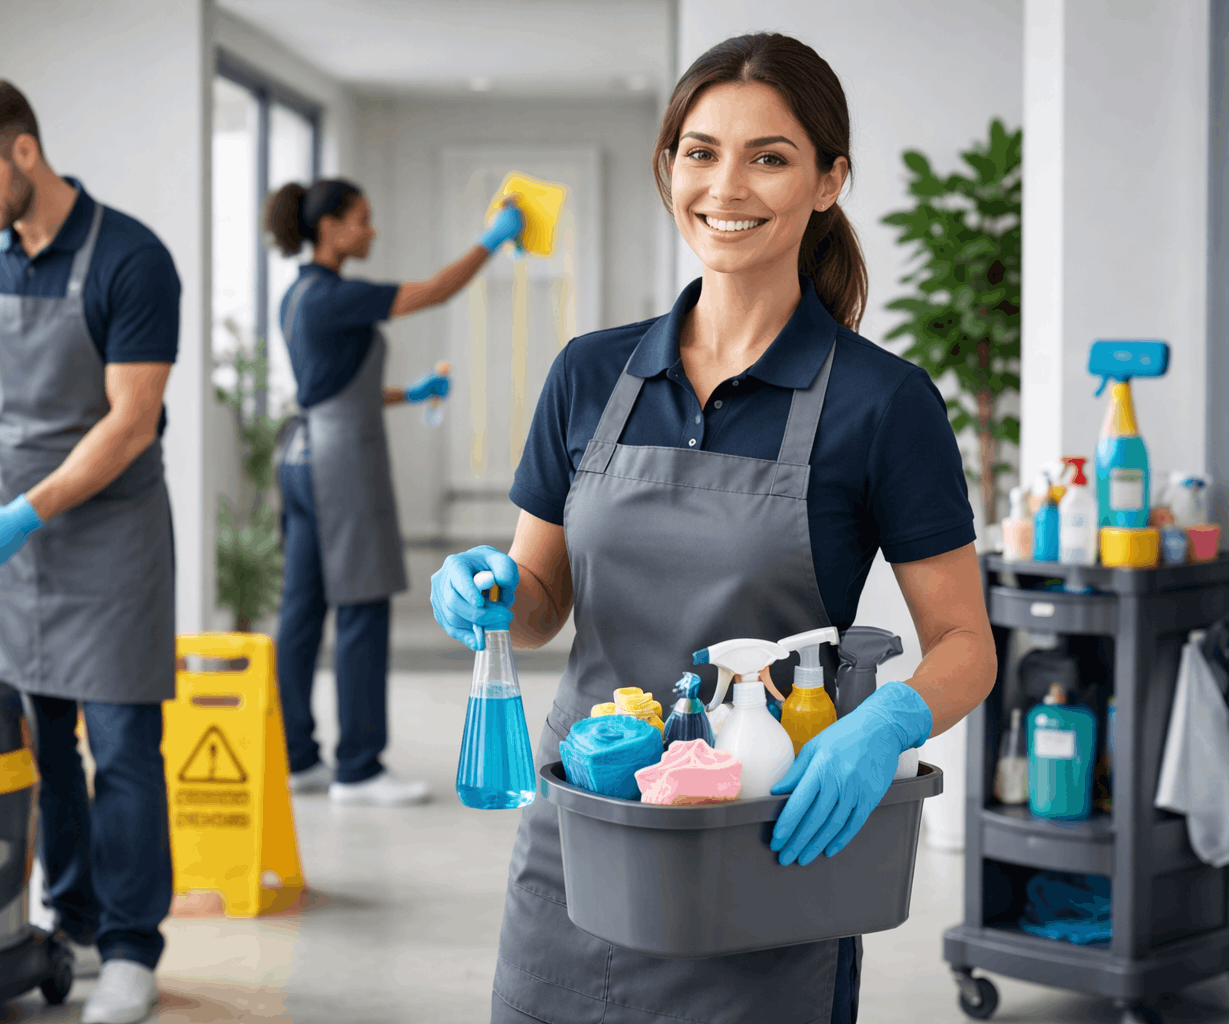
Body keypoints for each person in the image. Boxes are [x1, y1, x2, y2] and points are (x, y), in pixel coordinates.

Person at [430, 34, 998, 1024]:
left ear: (829, 180)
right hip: (584, 842)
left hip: (764, 848)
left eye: (769, 156)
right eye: (700, 150)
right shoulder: (589, 373)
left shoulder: (883, 402)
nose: (725, 186)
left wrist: (889, 721)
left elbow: (965, 642)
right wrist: (488, 592)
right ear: (670, 165)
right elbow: (541, 606)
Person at [0, 79, 177, 1024]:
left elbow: (132, 422)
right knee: (38, 746)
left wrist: (31, 512)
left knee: (122, 746)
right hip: (7, 533)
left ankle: (131, 947)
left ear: (24, 152)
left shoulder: (132, 258)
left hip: (108, 529)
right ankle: (68, 918)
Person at [265, 178, 524, 806]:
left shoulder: (298, 295)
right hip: (341, 465)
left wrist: (409, 394)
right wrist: (491, 239)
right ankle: (358, 769)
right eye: (362, 219)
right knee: (361, 606)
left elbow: (327, 387)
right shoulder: (335, 294)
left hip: (301, 457)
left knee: (301, 610)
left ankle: (295, 756)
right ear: (329, 227)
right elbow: (435, 291)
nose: (371, 231)